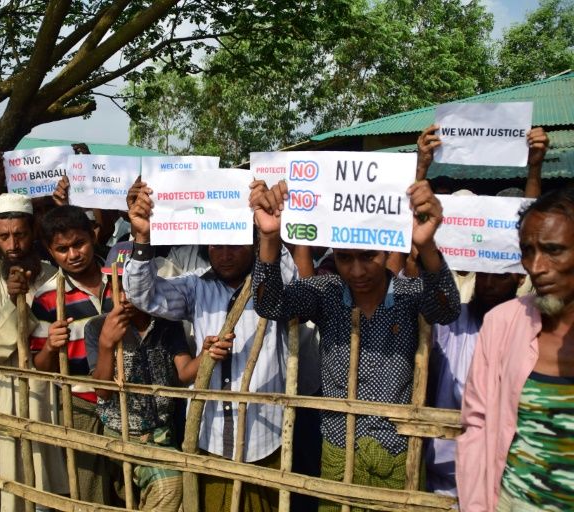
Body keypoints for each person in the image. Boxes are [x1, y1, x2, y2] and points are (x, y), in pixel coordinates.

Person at [250, 179, 460, 510]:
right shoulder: (328, 292)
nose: (358, 270)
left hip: (398, 458)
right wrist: (269, 238)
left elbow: (447, 309)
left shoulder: (408, 296)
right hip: (337, 455)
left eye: (368, 256)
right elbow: (270, 304)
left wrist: (427, 246)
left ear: (388, 249)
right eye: (346, 258)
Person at [124, 179, 298, 511]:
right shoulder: (196, 288)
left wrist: (269, 232)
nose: (225, 253)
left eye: (234, 244)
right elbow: (143, 295)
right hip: (211, 437)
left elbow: (292, 279)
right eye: (216, 245)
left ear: (251, 243)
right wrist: (142, 238)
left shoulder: (271, 286)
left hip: (266, 438)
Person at [457, 188, 574, 512]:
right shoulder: (502, 324)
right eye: (527, 251)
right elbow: (476, 425)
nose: (536, 267)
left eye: (553, 251)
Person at [0, 193, 67, 510]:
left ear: (33, 232)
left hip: (48, 398)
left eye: (20, 235)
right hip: (5, 397)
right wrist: (17, 305)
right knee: (13, 491)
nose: (13, 245)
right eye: (4, 236)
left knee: (53, 485)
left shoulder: (56, 279)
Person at [83, 241, 194, 510]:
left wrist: (209, 353)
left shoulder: (167, 323)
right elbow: (103, 391)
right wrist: (108, 345)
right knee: (169, 486)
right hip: (122, 434)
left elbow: (184, 372)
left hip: (163, 435)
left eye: (132, 284)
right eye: (118, 284)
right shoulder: (98, 327)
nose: (125, 295)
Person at [29, 204, 115, 504]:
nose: (73, 254)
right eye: (62, 249)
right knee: (90, 489)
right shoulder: (47, 297)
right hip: (81, 403)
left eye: (79, 243)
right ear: (50, 252)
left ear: (93, 236)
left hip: (126, 395)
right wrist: (51, 346)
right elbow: (39, 366)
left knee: (130, 484)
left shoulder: (119, 280)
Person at [426, 271, 524, 496]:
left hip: (505, 474)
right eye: (483, 275)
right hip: (445, 471)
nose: (489, 284)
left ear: (520, 278)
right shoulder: (454, 320)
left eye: (501, 277)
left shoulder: (528, 328)